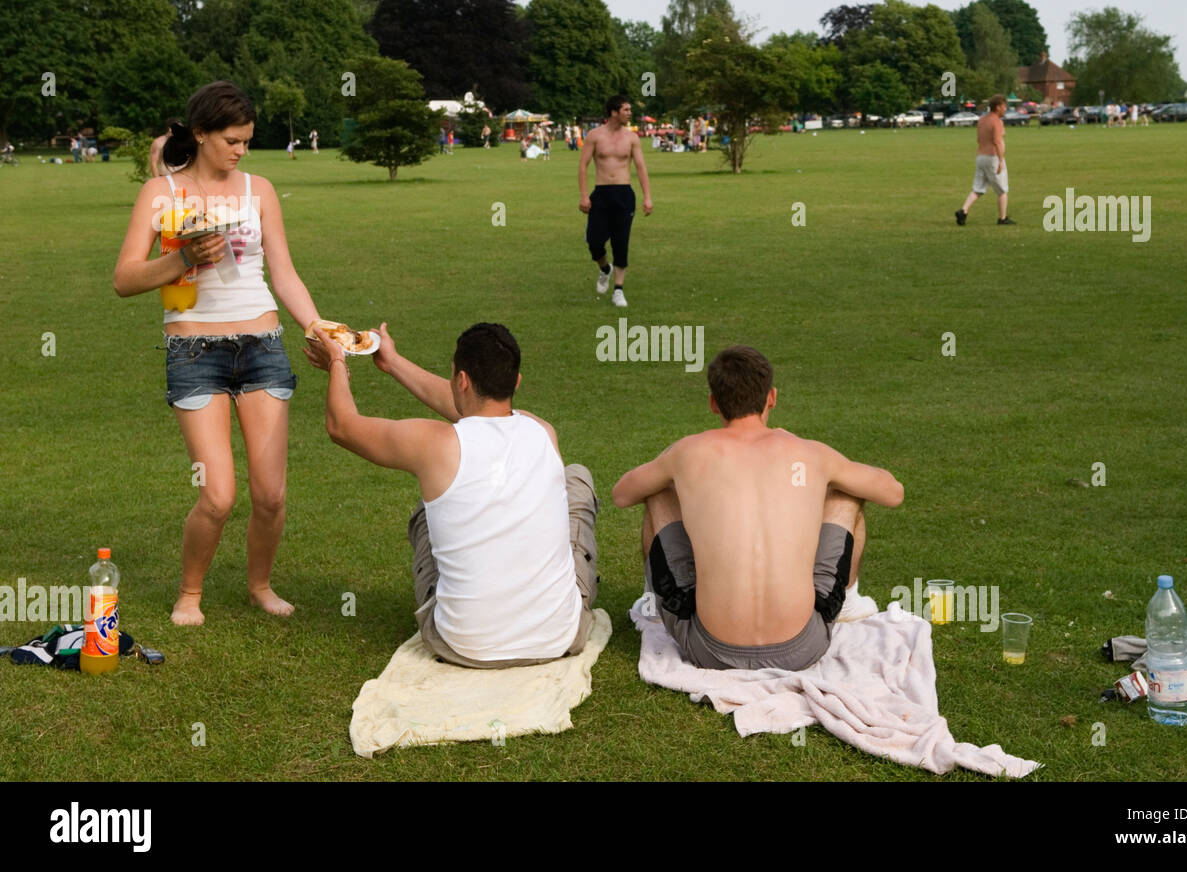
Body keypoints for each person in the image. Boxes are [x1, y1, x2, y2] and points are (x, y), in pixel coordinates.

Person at [112, 81, 325, 626]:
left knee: (271, 495)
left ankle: (259, 585)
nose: (241, 151)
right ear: (201, 133)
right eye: (231, 140)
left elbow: (284, 273)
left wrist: (319, 325)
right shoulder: (160, 194)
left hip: (262, 345)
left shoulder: (260, 190)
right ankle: (190, 593)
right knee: (218, 496)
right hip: (193, 349)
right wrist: (182, 258)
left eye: (247, 141)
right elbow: (124, 279)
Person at [303, 321, 600, 668]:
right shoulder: (542, 431)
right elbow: (475, 411)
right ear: (515, 382)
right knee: (574, 479)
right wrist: (394, 363)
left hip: (461, 645)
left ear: (461, 380)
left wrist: (337, 362)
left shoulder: (436, 446)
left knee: (433, 507)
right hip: (558, 637)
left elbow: (342, 426)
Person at [612, 346, 903, 671]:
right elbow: (893, 492)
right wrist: (824, 475)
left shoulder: (688, 452)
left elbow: (622, 494)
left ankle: (655, 603)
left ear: (713, 402)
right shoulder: (810, 453)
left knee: (657, 492)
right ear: (772, 398)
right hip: (804, 647)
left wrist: (674, 469)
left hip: (709, 649)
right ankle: (846, 601)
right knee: (847, 493)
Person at [578, 94, 653, 309]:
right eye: (626, 110)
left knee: (621, 243)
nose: (630, 113)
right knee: (594, 240)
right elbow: (583, 166)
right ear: (614, 112)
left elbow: (640, 168)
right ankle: (604, 269)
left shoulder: (632, 138)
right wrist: (584, 196)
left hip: (624, 194)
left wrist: (647, 197)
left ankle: (618, 290)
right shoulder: (594, 135)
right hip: (601, 194)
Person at [955, 95, 1013, 226]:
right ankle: (1002, 218)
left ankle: (963, 211)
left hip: (980, 157)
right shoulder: (996, 121)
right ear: (998, 107)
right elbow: (997, 141)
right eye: (1004, 106)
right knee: (1002, 190)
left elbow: (979, 139)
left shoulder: (982, 120)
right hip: (992, 157)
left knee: (978, 188)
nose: (1005, 109)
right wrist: (1000, 160)